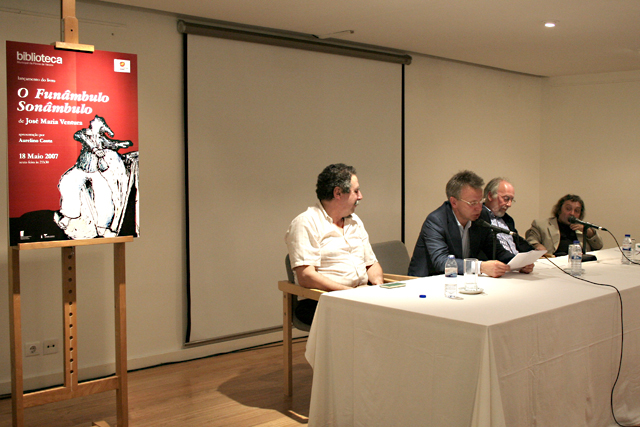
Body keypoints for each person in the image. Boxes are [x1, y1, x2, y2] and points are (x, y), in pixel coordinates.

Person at [285, 163, 383, 323]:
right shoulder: (306, 222)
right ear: (338, 193)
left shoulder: (355, 222)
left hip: (360, 296)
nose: (360, 196)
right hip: (323, 299)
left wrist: (379, 287)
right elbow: (306, 276)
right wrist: (349, 293)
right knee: (373, 318)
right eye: (356, 191)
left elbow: (371, 264)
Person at [408, 170, 534, 277]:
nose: (479, 208)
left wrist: (518, 263)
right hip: (426, 284)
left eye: (480, 201)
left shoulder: (482, 216)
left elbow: (496, 251)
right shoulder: (436, 221)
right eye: (473, 203)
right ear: (454, 202)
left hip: (461, 281)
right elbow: (442, 262)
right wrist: (481, 267)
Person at [525, 194, 603, 256]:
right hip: (555, 264)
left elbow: (598, 246)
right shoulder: (542, 224)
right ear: (559, 210)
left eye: (576, 211)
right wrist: (537, 245)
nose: (572, 213)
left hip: (578, 264)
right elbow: (531, 240)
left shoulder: (582, 228)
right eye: (568, 209)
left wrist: (589, 232)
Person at [482, 178, 534, 255]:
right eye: (506, 199)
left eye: (511, 200)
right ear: (490, 196)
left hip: (517, 263)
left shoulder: (508, 219)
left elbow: (519, 242)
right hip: (499, 263)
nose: (509, 204)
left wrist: (535, 252)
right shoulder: (479, 217)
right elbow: (491, 248)